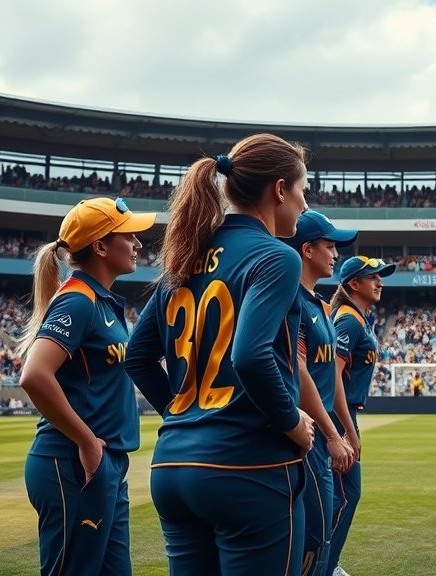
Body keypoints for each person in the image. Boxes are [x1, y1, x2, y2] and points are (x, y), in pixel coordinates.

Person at [124, 134, 315, 576]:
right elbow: (250, 355)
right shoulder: (277, 257)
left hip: (173, 466)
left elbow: (137, 356)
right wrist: (291, 422)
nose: (305, 204)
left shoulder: (184, 256)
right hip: (249, 468)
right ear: (280, 190)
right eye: (303, 190)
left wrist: (185, 417)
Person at [17, 197, 156, 576]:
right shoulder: (78, 301)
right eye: (128, 235)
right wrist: (87, 442)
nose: (138, 244)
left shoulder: (101, 301)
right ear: (100, 247)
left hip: (102, 464)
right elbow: (34, 374)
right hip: (72, 464)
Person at [282, 210, 359, 576]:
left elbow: (330, 375)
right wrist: (331, 434)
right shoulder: (292, 300)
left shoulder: (320, 305)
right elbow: (298, 372)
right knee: (313, 538)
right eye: (329, 246)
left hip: (319, 432)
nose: (335, 254)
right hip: (307, 435)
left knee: (321, 537)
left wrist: (345, 430)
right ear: (307, 250)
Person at [326, 255, 396, 576]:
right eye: (373, 277)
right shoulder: (349, 321)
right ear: (354, 284)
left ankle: (327, 564)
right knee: (344, 496)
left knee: (342, 496)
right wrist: (348, 432)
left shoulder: (359, 318)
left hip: (343, 415)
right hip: (337, 417)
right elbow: (332, 378)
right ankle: (324, 567)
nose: (380, 282)